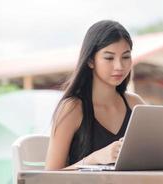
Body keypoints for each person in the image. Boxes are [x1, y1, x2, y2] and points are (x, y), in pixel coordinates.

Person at [45, 20, 146, 170]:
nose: (119, 66)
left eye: (126, 57)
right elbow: (49, 177)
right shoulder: (72, 108)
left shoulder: (134, 103)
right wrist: (95, 159)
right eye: (109, 58)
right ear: (91, 61)